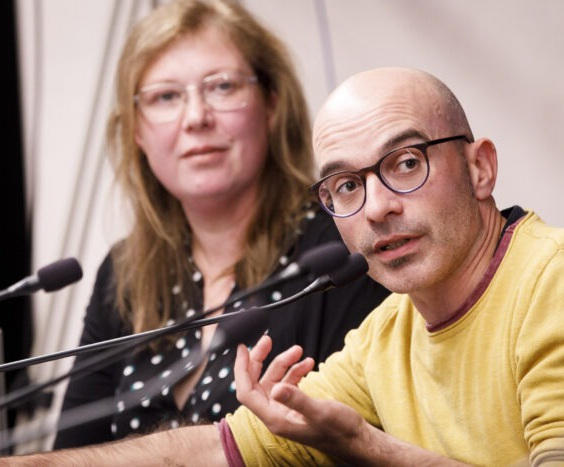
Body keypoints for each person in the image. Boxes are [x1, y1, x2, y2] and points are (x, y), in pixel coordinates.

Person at [0, 68, 564, 466]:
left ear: (480, 167)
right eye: (345, 185)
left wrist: (365, 445)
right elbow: (215, 450)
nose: (378, 207)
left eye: (406, 163)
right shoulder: (386, 334)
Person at [50, 0, 389, 449]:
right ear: (137, 131)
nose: (196, 118)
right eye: (166, 97)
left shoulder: (340, 250)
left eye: (223, 87)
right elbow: (72, 453)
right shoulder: (124, 272)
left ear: (271, 105)